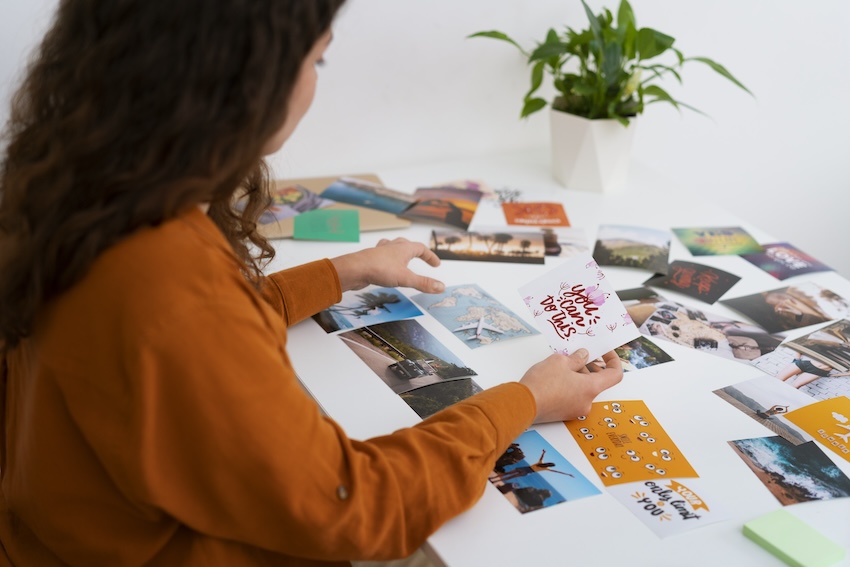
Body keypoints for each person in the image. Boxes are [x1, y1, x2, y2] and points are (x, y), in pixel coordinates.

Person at [0, 2, 623, 566]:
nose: (315, 83)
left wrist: (342, 272)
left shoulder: (83, 197)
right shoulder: (172, 290)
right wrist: (525, 400)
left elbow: (190, 343)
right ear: (246, 77)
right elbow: (358, 505)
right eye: (317, 58)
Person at [776, 352, 850, 389]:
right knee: (778, 379)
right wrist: (797, 359)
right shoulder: (832, 345)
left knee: (795, 386)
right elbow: (800, 346)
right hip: (805, 364)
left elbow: (849, 373)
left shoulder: (846, 357)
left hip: (818, 371)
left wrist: (831, 375)